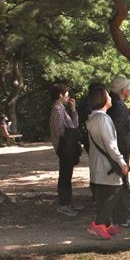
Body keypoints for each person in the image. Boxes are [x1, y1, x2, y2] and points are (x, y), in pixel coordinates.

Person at [85, 85, 130, 240]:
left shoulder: (92, 118)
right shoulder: (103, 119)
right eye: (107, 95)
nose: (110, 97)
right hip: (107, 164)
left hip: (97, 162)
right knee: (117, 189)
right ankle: (98, 224)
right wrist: (122, 162)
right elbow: (111, 145)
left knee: (103, 194)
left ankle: (106, 223)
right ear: (103, 99)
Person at [49, 82, 80, 217]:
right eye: (67, 94)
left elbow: (74, 125)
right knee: (65, 176)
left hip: (67, 145)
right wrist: (72, 132)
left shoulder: (62, 108)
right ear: (61, 95)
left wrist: (73, 110)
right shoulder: (57, 110)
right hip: (64, 146)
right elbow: (61, 130)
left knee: (67, 175)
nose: (68, 97)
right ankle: (64, 203)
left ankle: (68, 202)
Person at [108, 75, 130, 192]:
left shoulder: (109, 103)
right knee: (118, 180)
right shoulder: (120, 107)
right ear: (124, 91)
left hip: (112, 147)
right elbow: (120, 132)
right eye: (129, 89)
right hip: (119, 148)